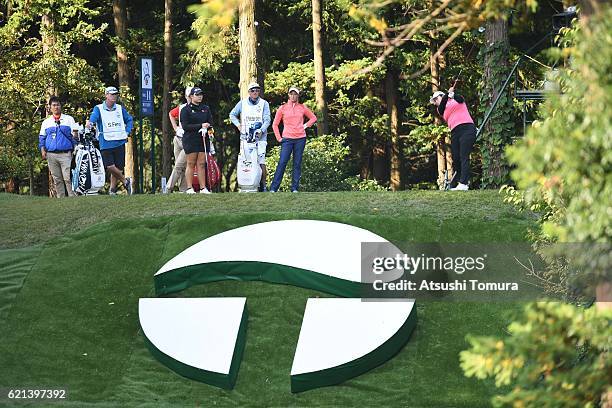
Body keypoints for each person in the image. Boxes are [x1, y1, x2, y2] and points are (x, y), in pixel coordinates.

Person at [87, 86, 133, 195]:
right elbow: (93, 119)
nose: (114, 96)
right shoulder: (98, 108)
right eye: (111, 94)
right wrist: (90, 124)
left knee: (118, 168)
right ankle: (125, 181)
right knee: (109, 166)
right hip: (106, 142)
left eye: (115, 94)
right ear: (106, 95)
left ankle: (112, 190)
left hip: (120, 140)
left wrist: (127, 131)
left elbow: (129, 120)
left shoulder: (119, 108)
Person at [270, 87, 317, 192]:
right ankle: (273, 188)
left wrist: (305, 126)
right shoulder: (282, 108)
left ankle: (294, 188)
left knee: (297, 163)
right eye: (291, 94)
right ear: (288, 95)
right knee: (282, 162)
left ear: (298, 96)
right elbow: (275, 124)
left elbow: (313, 118)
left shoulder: (302, 107)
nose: (293, 96)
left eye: (295, 94)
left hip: (300, 139)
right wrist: (279, 138)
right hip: (287, 139)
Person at [431, 86, 476, 191]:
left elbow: (461, 99)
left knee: (464, 156)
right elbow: (442, 105)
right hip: (455, 132)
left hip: (467, 128)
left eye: (436, 99)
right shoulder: (440, 109)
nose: (435, 102)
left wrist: (453, 95)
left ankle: (464, 183)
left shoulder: (457, 100)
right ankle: (461, 182)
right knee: (456, 159)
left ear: (441, 96)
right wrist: (448, 94)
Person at [229, 82, 271, 192]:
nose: (255, 92)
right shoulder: (242, 103)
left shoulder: (264, 103)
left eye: (257, 90)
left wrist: (262, 130)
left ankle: (263, 185)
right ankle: (246, 184)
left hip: (260, 137)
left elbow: (267, 120)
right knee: (246, 160)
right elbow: (232, 114)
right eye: (253, 90)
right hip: (245, 137)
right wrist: (238, 125)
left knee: (261, 161)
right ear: (249, 92)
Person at [38, 96, 79, 197]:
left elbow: (75, 136)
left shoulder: (69, 119)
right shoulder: (46, 122)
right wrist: (43, 151)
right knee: (57, 178)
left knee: (67, 177)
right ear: (50, 107)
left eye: (58, 105)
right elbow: (42, 138)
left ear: (61, 106)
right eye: (54, 105)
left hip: (65, 154)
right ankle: (61, 198)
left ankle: (72, 197)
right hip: (51, 154)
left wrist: (76, 140)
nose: (56, 107)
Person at [180, 87, 213, 194]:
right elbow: (185, 126)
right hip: (190, 139)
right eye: (197, 95)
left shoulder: (206, 108)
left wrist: (207, 127)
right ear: (191, 96)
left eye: (201, 95)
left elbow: (210, 122)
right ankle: (189, 188)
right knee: (191, 163)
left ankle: (203, 188)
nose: (199, 97)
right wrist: (200, 125)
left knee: (202, 164)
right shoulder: (186, 110)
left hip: (203, 139)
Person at [166, 86, 193, 193]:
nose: (189, 99)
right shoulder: (182, 108)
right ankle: (183, 190)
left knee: (178, 165)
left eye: (191, 96)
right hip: (178, 139)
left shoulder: (199, 109)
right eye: (188, 96)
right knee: (181, 166)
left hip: (188, 141)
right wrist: (175, 128)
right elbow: (171, 114)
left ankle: (168, 188)